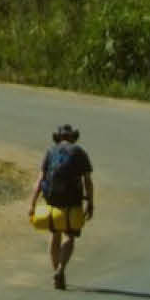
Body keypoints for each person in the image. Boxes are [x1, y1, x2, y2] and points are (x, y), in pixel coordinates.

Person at [29, 123, 94, 290]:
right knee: (70, 237)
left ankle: (56, 272)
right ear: (73, 137)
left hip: (52, 198)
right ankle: (61, 268)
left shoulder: (51, 151)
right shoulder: (79, 152)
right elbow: (87, 180)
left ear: (58, 137)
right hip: (72, 198)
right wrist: (91, 202)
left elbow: (40, 179)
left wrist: (32, 203)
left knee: (55, 234)